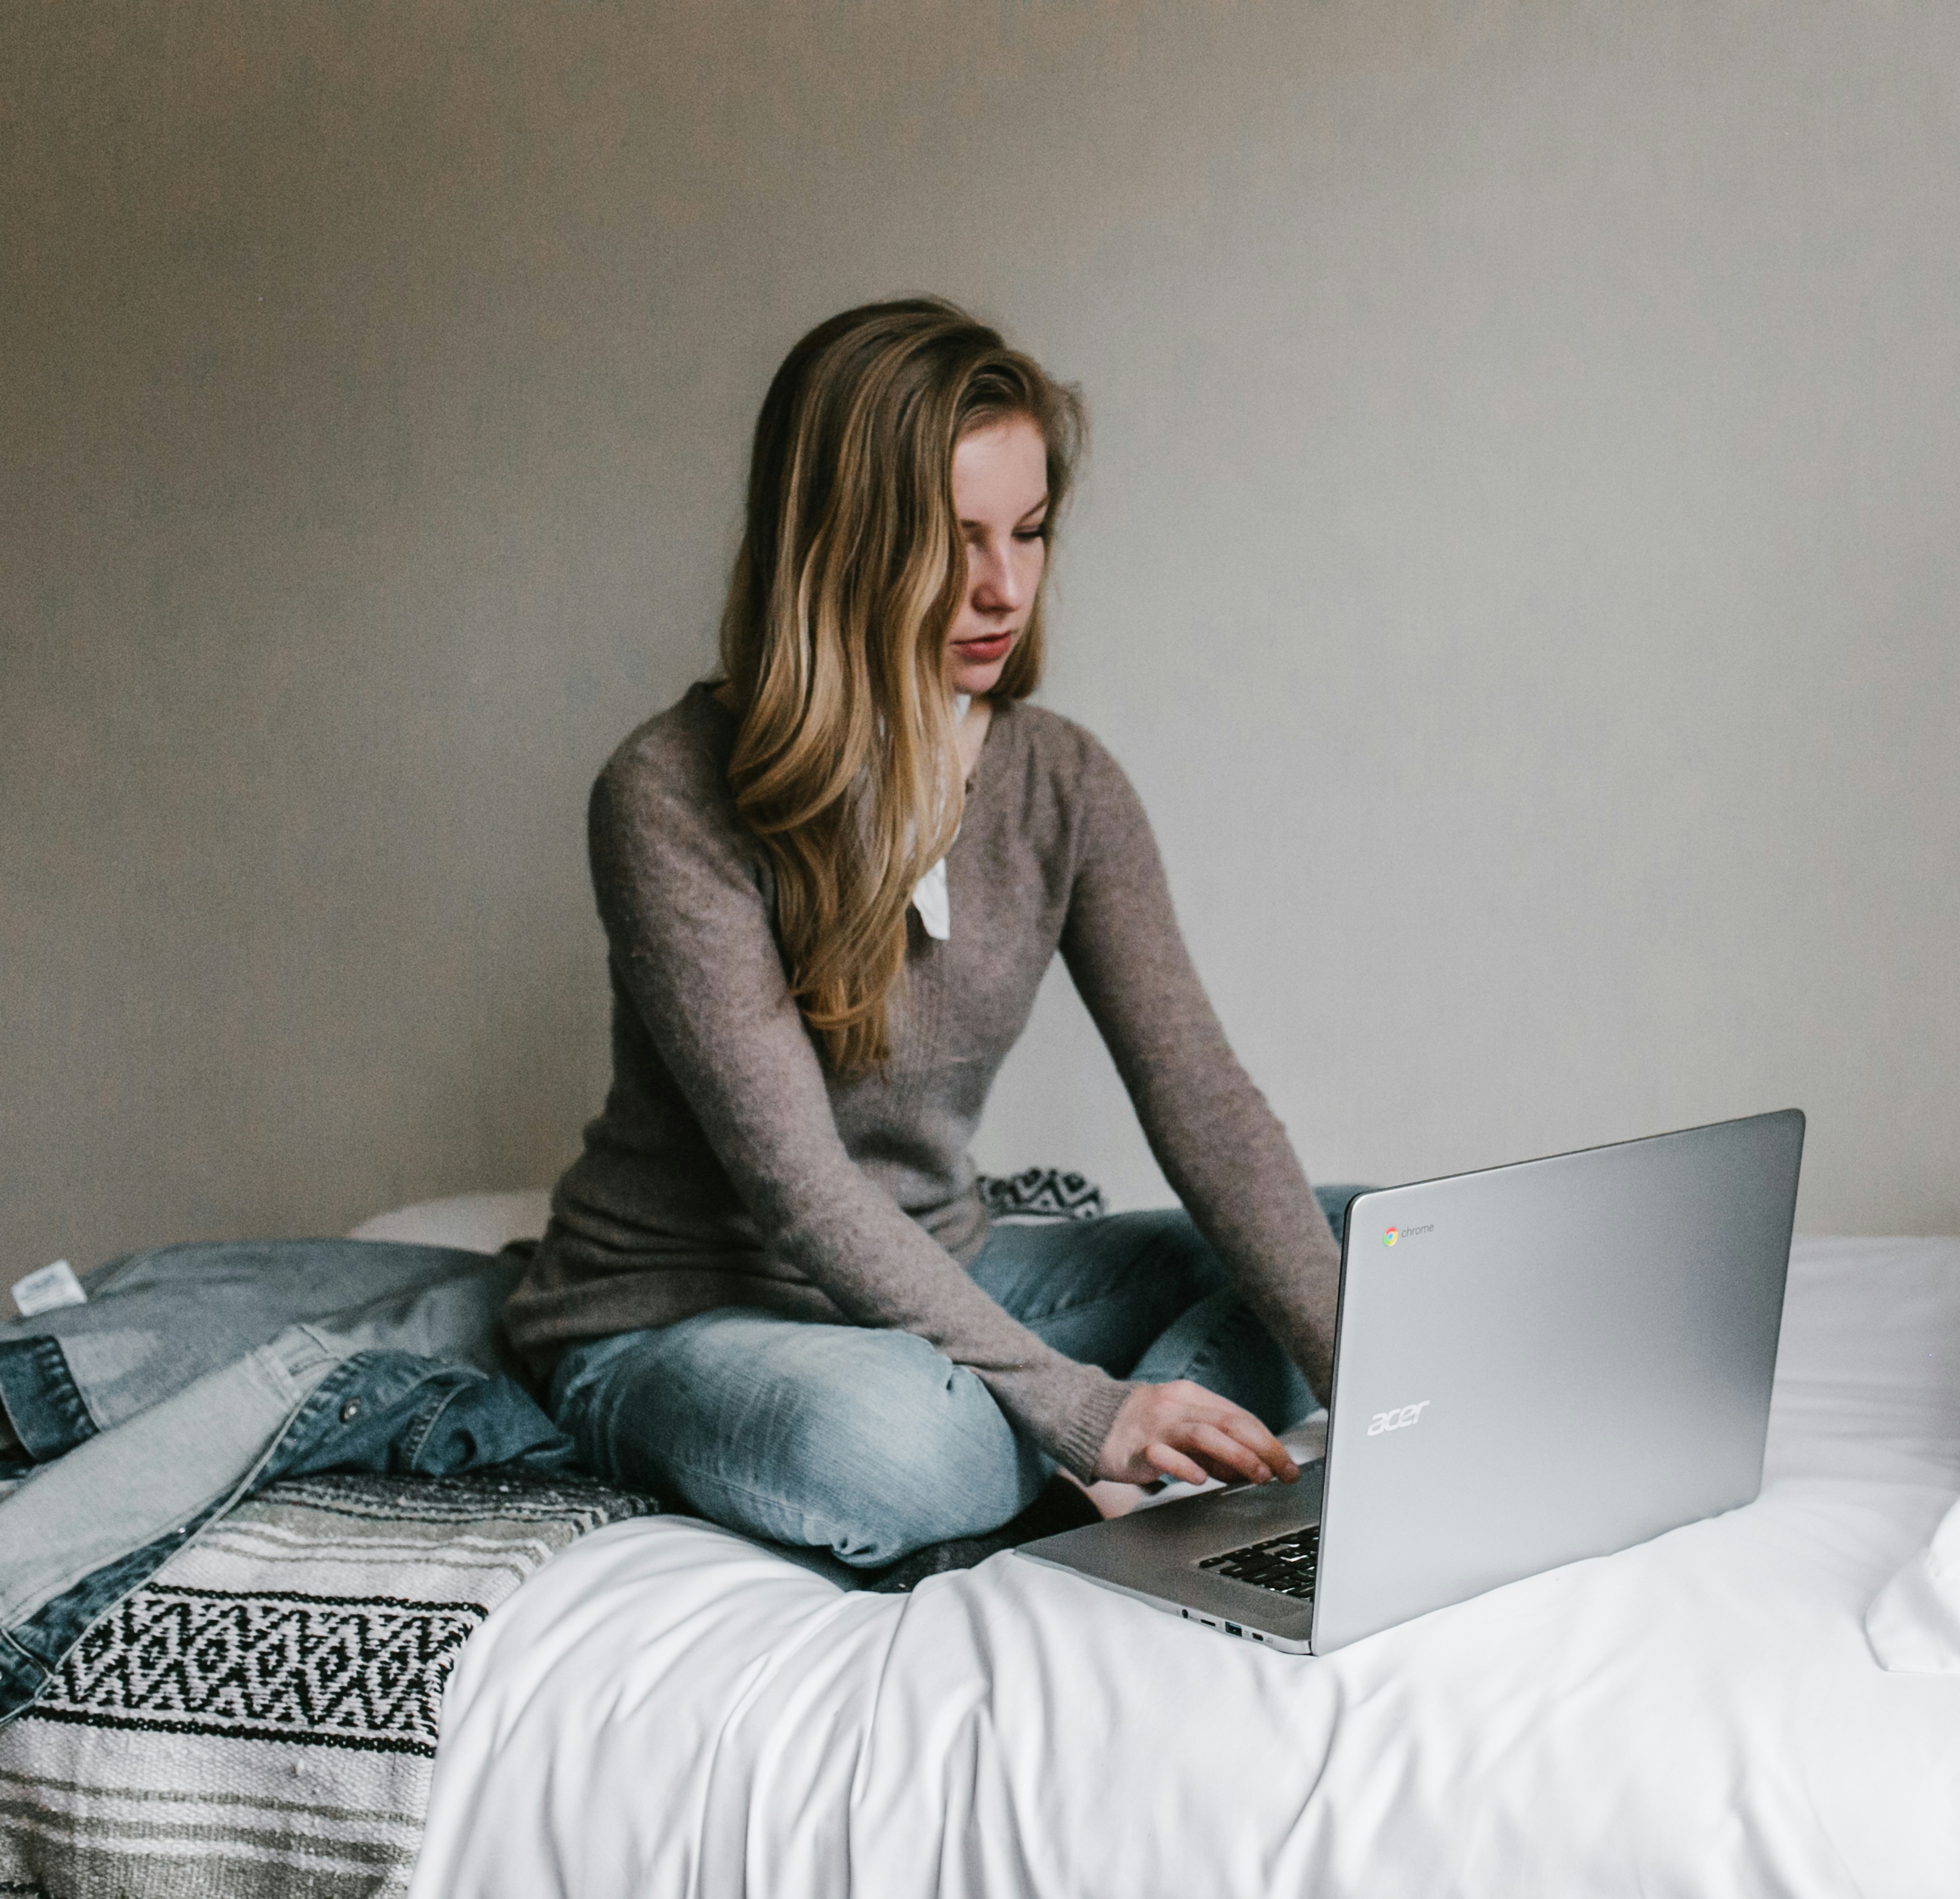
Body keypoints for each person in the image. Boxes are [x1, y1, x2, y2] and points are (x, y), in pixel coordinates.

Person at [500, 298, 1352, 1585]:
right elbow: (801, 1190)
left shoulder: (1063, 782)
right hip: (685, 1314)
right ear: (837, 544)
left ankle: (1145, 1465)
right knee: (903, 1448)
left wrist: (1379, 1381)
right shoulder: (668, 793)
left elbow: (1204, 1102)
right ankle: (1094, 1446)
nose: (1004, 587)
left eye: (1030, 532)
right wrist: (1080, 1407)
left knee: (1360, 1245)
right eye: (951, 544)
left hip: (956, 1273)